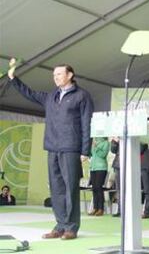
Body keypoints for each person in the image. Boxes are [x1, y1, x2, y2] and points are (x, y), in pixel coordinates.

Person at [8, 58, 93, 240]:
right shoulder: (51, 96)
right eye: (54, 75)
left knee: (71, 189)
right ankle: (60, 226)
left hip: (71, 148)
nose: (55, 77)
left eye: (59, 74)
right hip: (52, 147)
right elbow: (29, 93)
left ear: (70, 75)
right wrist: (13, 79)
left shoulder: (82, 96)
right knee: (56, 190)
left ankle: (71, 227)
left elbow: (87, 123)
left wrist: (85, 150)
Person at [88, 137, 110, 216]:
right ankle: (95, 208)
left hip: (101, 167)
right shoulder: (94, 141)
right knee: (94, 188)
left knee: (99, 187)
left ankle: (101, 209)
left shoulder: (106, 143)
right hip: (93, 167)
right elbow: (91, 153)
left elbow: (102, 155)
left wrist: (96, 146)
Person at [110, 137, 120, 217]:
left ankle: (128, 210)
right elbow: (113, 150)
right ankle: (120, 210)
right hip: (118, 164)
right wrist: (115, 142)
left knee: (127, 188)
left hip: (129, 164)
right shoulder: (118, 136)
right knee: (118, 189)